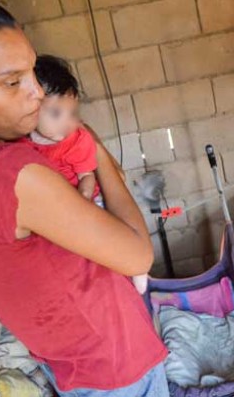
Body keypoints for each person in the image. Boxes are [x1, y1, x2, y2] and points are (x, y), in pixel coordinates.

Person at [0, 0, 168, 396]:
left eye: (32, 73)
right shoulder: (8, 173)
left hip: (77, 363)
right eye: (13, 82)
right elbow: (138, 255)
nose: (37, 93)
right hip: (114, 364)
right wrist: (96, 153)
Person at [22, 54, 148, 294]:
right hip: (58, 205)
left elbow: (87, 176)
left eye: (72, 113)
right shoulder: (23, 146)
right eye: (57, 113)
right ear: (32, 109)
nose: (68, 122)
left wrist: (82, 201)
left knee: (112, 235)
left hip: (87, 197)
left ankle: (136, 269)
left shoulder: (76, 139)